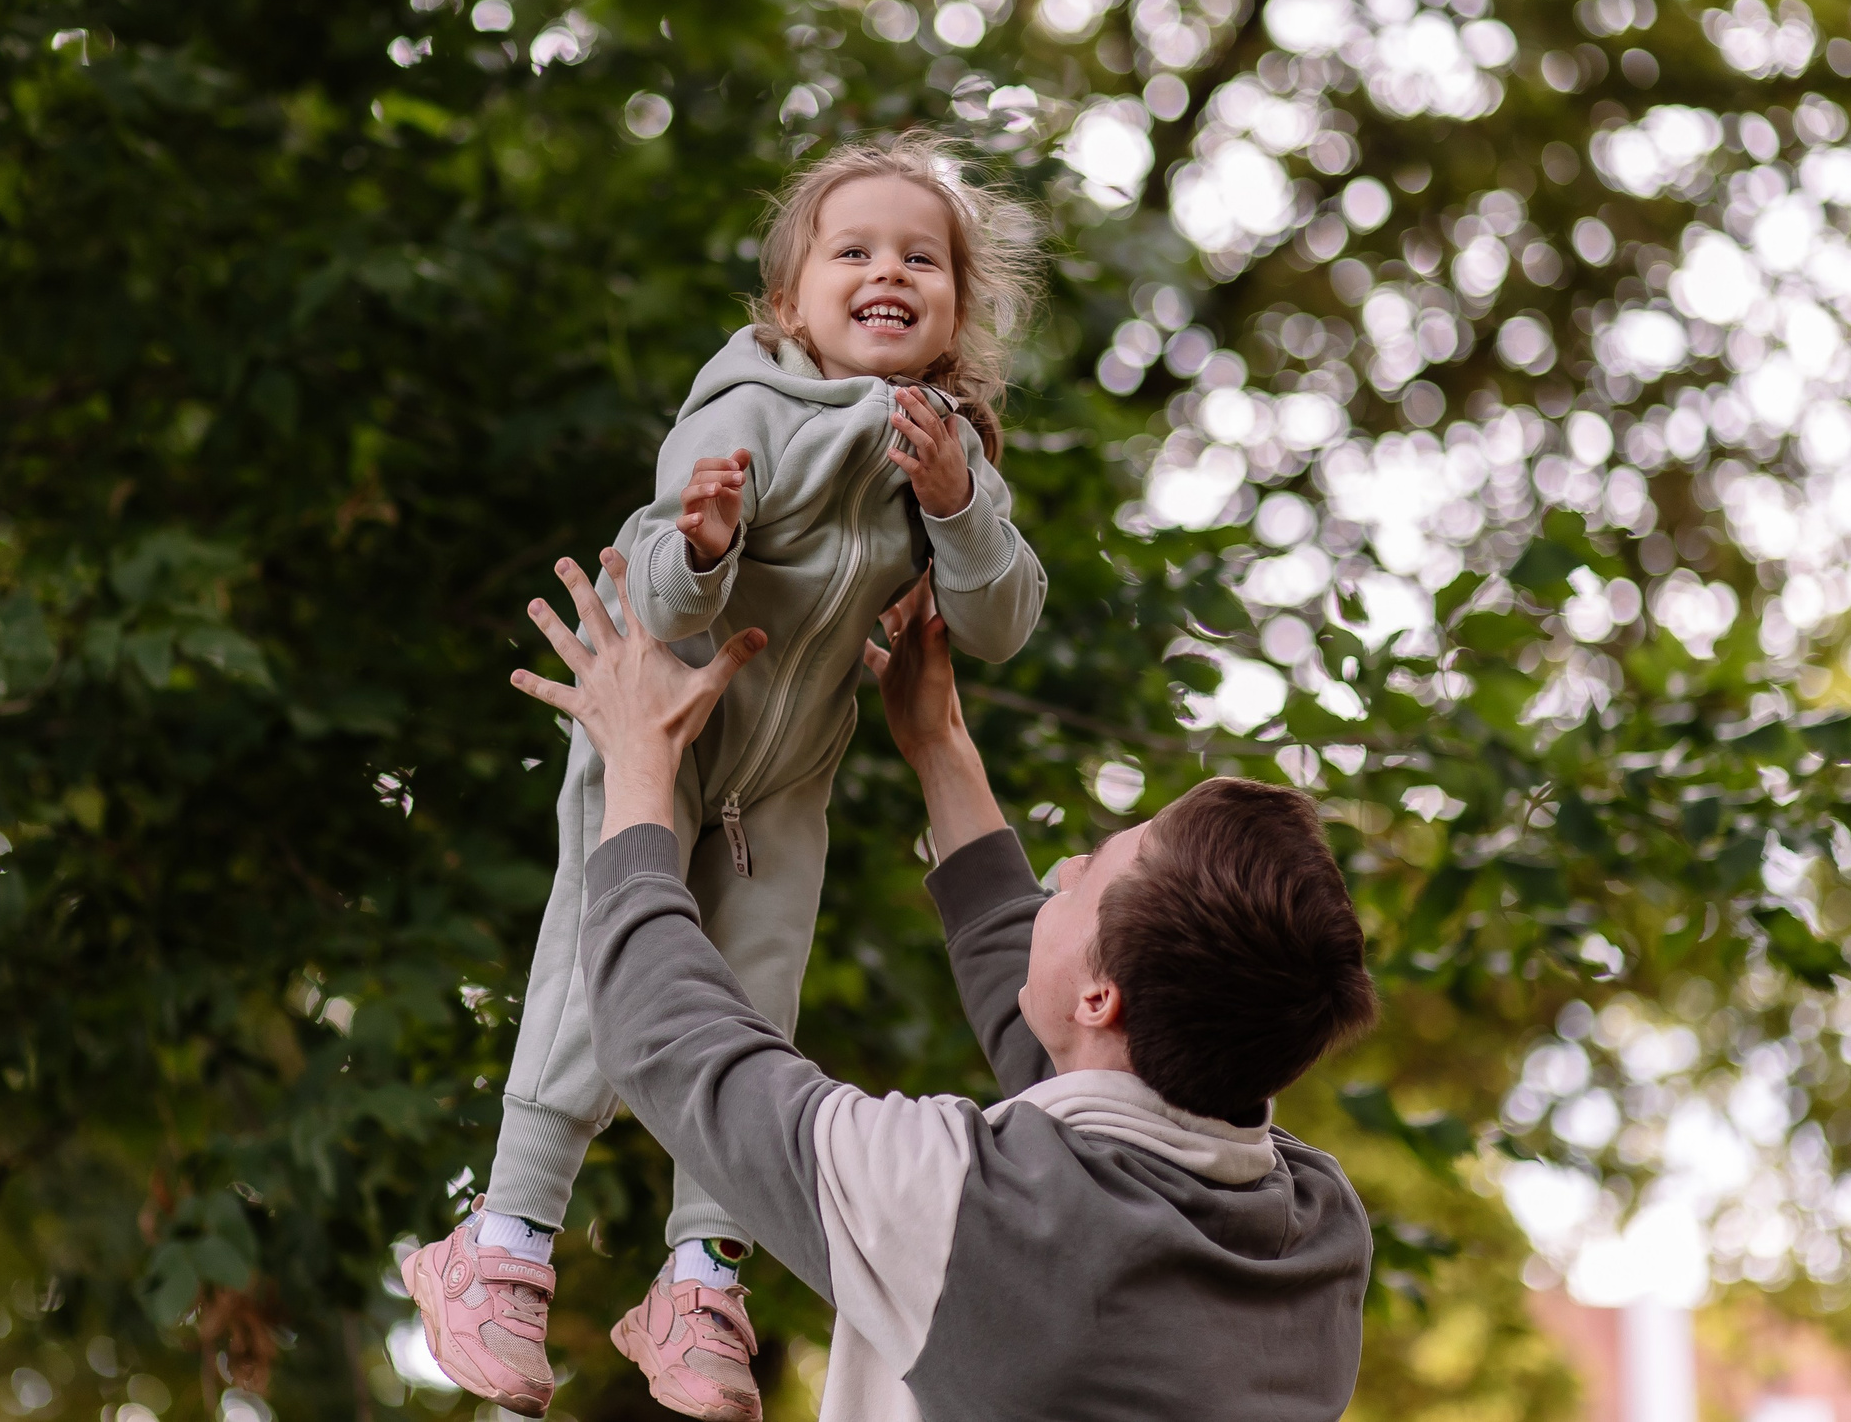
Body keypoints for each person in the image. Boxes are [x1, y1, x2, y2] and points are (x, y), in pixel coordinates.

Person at [403, 134, 1048, 1420]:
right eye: (853, 250)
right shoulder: (745, 404)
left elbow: (999, 622)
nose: (889, 271)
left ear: (959, 312)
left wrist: (961, 496)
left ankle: (697, 1282)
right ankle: (503, 1241)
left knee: (754, 1006)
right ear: (789, 302)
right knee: (599, 968)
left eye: (922, 258)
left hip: (787, 780)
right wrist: (699, 546)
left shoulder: (945, 450)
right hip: (660, 729)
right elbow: (653, 568)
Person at [468, 551, 1378, 1422]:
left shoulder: (958, 1209)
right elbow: (1088, 1087)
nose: (1056, 872)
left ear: (1104, 997)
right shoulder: (1315, 1230)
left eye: (1088, 872)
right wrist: (937, 744)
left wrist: (638, 758)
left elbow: (669, 1040)